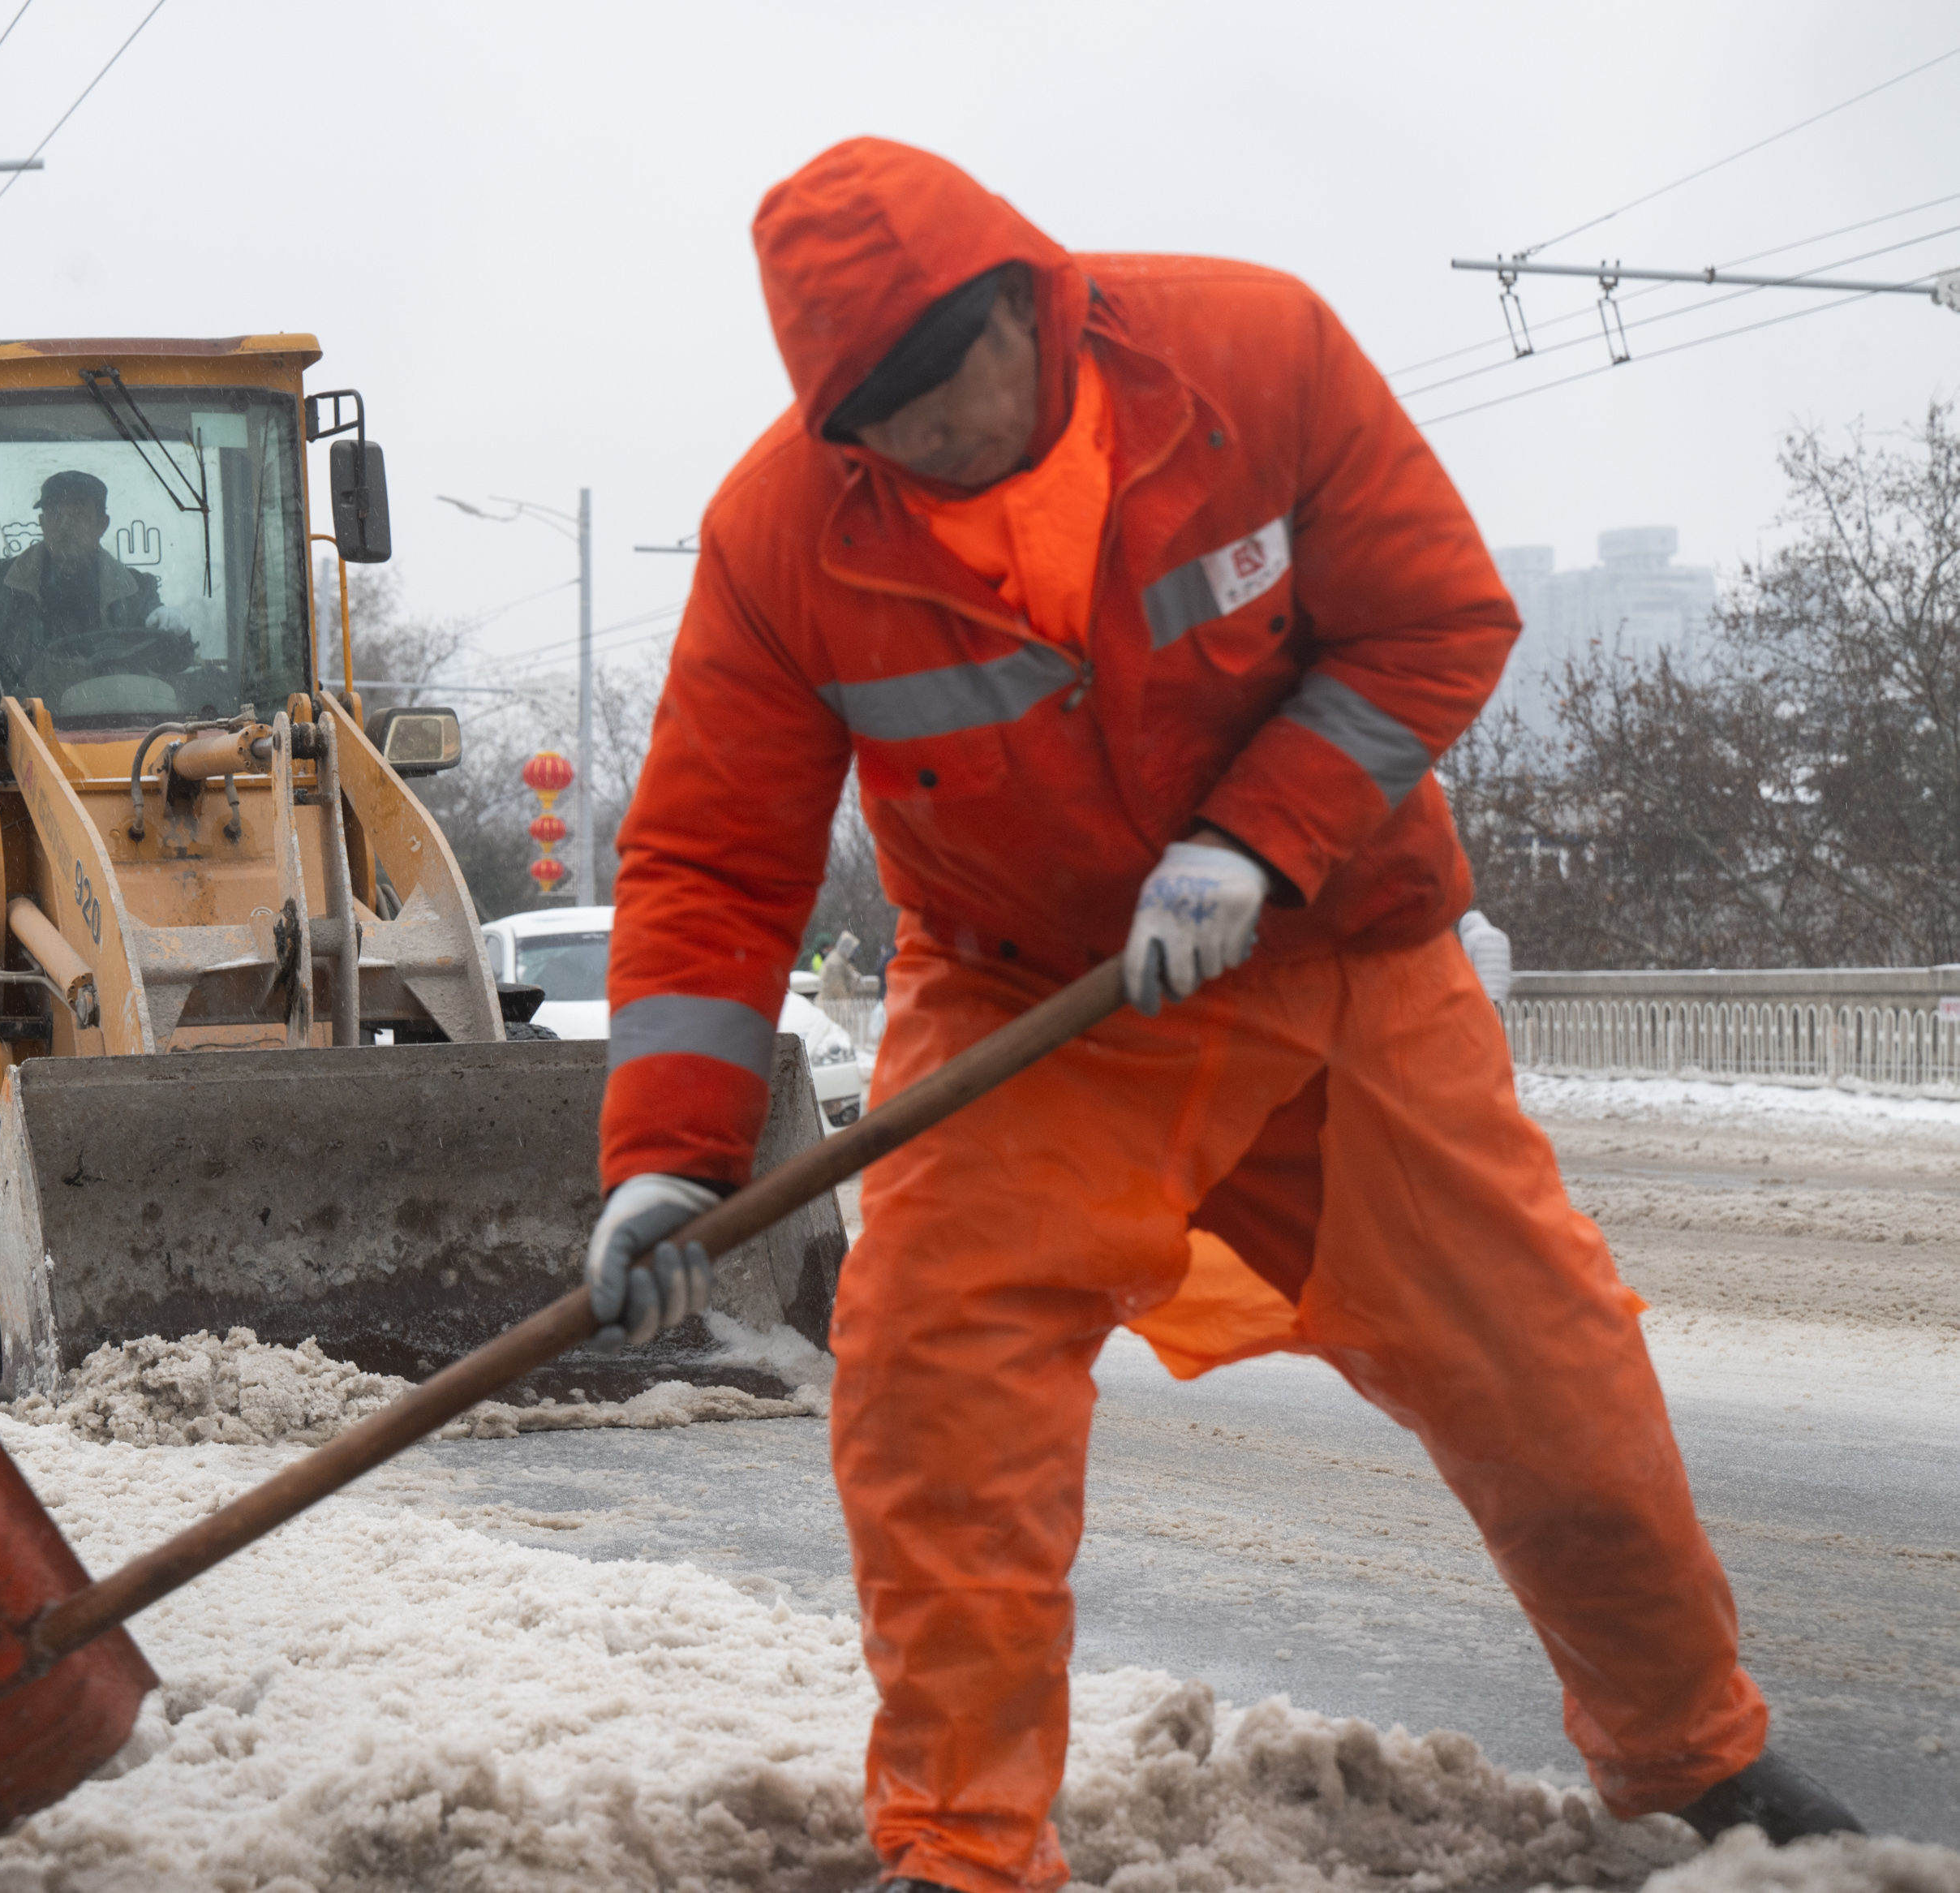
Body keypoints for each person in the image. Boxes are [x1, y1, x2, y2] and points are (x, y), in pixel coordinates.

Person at [582, 139, 1860, 1893]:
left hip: (1339, 969)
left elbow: (1433, 620)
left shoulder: (1252, 359)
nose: (926, 447)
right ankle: (959, 1848)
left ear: (1021, 314)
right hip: (1037, 998)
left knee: (1548, 1379)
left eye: (944, 399)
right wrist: (664, 1157)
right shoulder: (784, 534)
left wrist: (1256, 840)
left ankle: (1697, 1751)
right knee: (930, 1394)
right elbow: (712, 859)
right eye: (874, 428)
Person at [0, 469, 193, 711]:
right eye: (56, 514)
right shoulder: (0, 586)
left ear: (102, 524)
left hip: (113, 729)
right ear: (43, 524)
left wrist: (178, 634)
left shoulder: (136, 592)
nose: (66, 526)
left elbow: (171, 663)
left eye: (78, 514)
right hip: (19, 738)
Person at [1460, 908, 1515, 1004]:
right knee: (1496, 1016)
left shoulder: (1470, 937)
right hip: (1501, 991)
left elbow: (1464, 965)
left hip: (1481, 992)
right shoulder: (1501, 936)